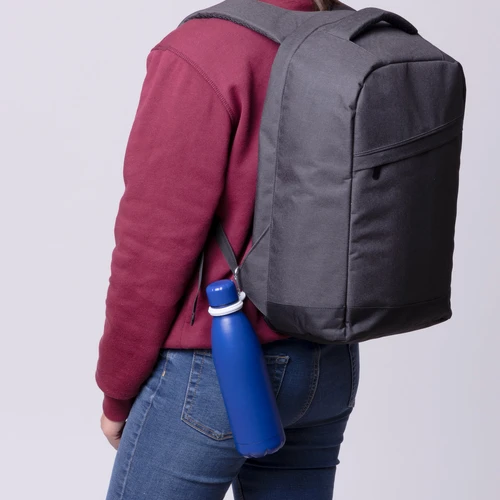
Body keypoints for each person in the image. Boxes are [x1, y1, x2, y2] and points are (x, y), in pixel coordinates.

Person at [95, 1, 360, 498]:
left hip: (216, 368)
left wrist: (116, 388)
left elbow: (152, 245)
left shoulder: (205, 50)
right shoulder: (354, 39)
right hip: (329, 364)